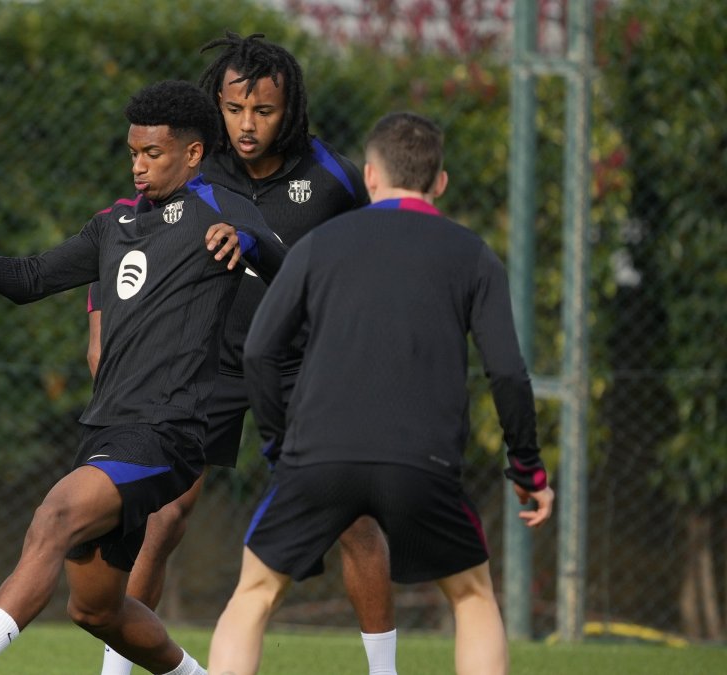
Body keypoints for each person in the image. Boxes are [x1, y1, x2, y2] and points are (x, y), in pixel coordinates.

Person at [0, 79, 285, 675]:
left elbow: (293, 268)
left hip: (167, 432)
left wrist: (249, 241)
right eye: (133, 153)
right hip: (106, 429)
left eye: (154, 154)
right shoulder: (112, 226)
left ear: (193, 154)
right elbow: (27, 279)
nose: (138, 167)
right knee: (97, 610)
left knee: (55, 516)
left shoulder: (220, 210)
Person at [89, 31, 396, 675]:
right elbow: (124, 232)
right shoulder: (199, 166)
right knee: (162, 513)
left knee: (352, 518)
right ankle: (119, 671)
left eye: (264, 110)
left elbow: (374, 259)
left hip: (303, 366)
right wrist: (100, 325)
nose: (247, 124)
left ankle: (384, 670)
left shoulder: (333, 179)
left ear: (292, 108)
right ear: (216, 106)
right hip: (211, 364)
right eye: (235, 109)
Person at [207, 112, 556, 675]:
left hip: (317, 457)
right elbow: (509, 374)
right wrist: (529, 471)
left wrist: (279, 446)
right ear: (439, 182)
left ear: (370, 177)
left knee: (254, 595)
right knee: (472, 597)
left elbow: (259, 353)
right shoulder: (472, 255)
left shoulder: (318, 244)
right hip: (424, 462)